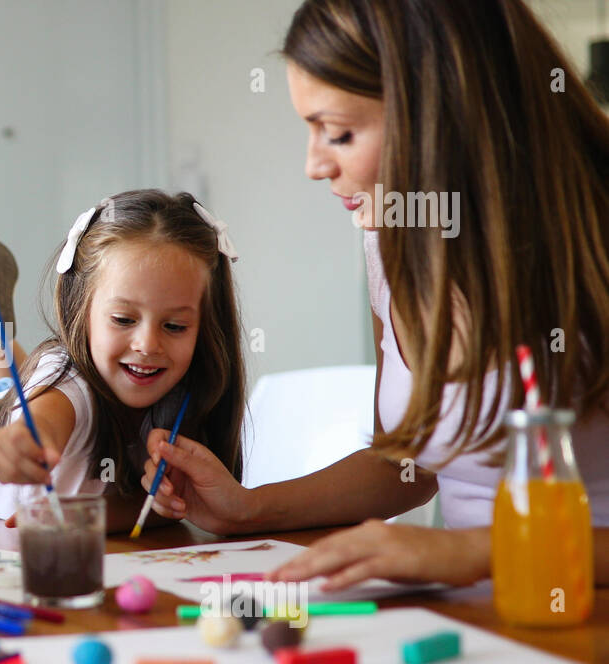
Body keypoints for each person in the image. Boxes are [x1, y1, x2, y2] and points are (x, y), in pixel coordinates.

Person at [139, 0, 609, 590]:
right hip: (475, 630)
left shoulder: (592, 242)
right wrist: (247, 508)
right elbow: (410, 462)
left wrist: (476, 552)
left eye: (338, 132)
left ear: (442, 109)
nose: (313, 165)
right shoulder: (395, 241)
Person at [0, 189, 247, 530]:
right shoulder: (68, 394)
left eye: (175, 326)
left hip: (26, 392)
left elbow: (151, 508)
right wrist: (28, 437)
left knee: (37, 381)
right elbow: (49, 417)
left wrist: (150, 508)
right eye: (124, 319)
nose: (147, 344)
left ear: (207, 326)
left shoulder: (185, 400)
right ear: (79, 310)